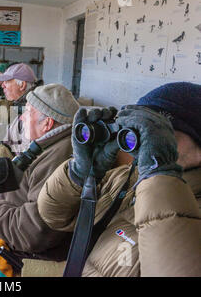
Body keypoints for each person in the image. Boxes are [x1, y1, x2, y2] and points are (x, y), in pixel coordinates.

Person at [37, 82, 201, 277]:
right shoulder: (127, 177)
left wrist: (160, 175)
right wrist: (80, 174)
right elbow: (53, 215)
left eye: (160, 133)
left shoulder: (192, 213)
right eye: (140, 129)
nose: (145, 140)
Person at [0, 84, 80, 268]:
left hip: (27, 253)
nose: (22, 118)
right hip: (11, 218)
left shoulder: (59, 157)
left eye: (28, 112)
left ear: (47, 124)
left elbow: (31, 233)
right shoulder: (53, 144)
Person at [0, 63, 39, 156]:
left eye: (7, 82)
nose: (3, 86)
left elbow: (26, 152)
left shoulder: (32, 110)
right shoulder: (18, 105)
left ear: (22, 85)